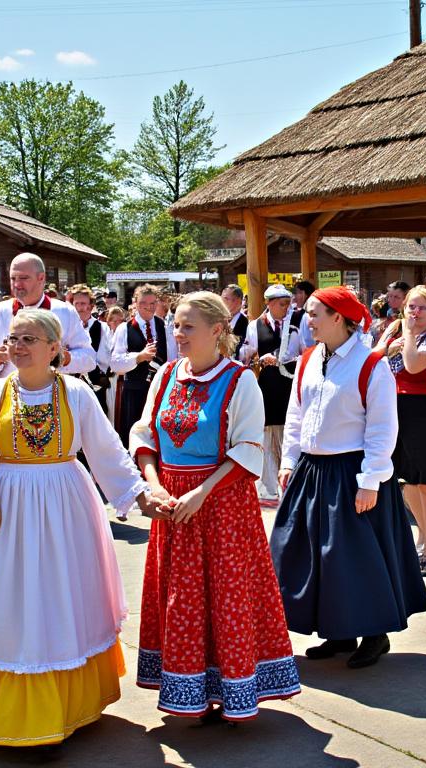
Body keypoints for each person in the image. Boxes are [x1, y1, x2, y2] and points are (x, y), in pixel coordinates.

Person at [0, 308, 160, 748]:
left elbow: (106, 450)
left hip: (65, 507)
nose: (18, 347)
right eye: (13, 338)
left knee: (59, 596)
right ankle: (7, 713)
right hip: (6, 511)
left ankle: (64, 707)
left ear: (54, 349)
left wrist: (139, 494)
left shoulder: (77, 394)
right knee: (7, 600)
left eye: (29, 339)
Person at [129, 291, 300, 722]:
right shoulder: (166, 374)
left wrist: (200, 493)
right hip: (173, 505)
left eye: (188, 326)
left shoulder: (240, 380)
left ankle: (231, 689)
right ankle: (190, 689)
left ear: (217, 330)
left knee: (225, 598)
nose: (178, 334)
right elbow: (145, 435)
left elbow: (247, 449)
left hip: (222, 506)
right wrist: (155, 486)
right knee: (182, 599)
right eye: (176, 325)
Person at [270, 286, 426, 669]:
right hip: (312, 471)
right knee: (313, 554)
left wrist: (370, 480)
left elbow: (382, 428)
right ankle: (338, 632)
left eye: (314, 314)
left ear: (338, 318)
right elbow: (296, 414)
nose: (308, 320)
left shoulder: (370, 365)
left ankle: (375, 634)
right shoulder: (308, 360)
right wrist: (289, 460)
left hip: (353, 473)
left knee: (356, 559)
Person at [375, 286, 426, 574]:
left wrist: (406, 334)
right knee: (407, 483)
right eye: (411, 307)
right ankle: (422, 538)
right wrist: (389, 334)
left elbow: (414, 365)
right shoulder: (396, 334)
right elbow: (373, 358)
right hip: (395, 409)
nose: (415, 313)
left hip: (425, 411)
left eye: (422, 308)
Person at [0, 253, 96, 381]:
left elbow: (90, 359)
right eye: (13, 278)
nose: (17, 284)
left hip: (53, 391)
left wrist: (61, 357)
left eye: (23, 278)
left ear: (41, 278)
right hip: (9, 391)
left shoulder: (65, 311)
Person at [241, 284, 305, 502]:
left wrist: (288, 359)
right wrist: (260, 359)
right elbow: (247, 355)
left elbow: (305, 352)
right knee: (267, 435)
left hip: (288, 385)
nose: (286, 308)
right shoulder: (255, 326)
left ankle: (289, 483)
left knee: (289, 431)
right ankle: (268, 486)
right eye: (282, 304)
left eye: (288, 304)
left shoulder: (295, 324)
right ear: (269, 304)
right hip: (267, 387)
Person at [110, 284, 177, 443]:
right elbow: (115, 363)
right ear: (135, 303)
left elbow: (173, 358)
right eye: (143, 303)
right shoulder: (124, 328)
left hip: (160, 390)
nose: (148, 307)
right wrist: (139, 357)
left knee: (157, 435)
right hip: (134, 391)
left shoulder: (165, 327)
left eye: (153, 303)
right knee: (134, 436)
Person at [69, 284, 111, 411]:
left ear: (91, 306)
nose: (79, 308)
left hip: (95, 386)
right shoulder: (66, 328)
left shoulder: (102, 327)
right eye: (76, 303)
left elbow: (105, 357)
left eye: (83, 303)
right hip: (70, 385)